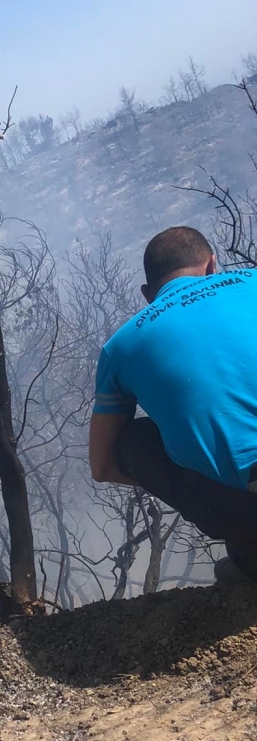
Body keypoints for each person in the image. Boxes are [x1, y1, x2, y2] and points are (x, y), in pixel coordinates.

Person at [89, 225, 257, 582]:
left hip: (246, 505)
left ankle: (249, 553)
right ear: (213, 265)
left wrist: (193, 461)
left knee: (132, 440)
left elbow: (102, 466)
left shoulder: (120, 347)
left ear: (148, 295)